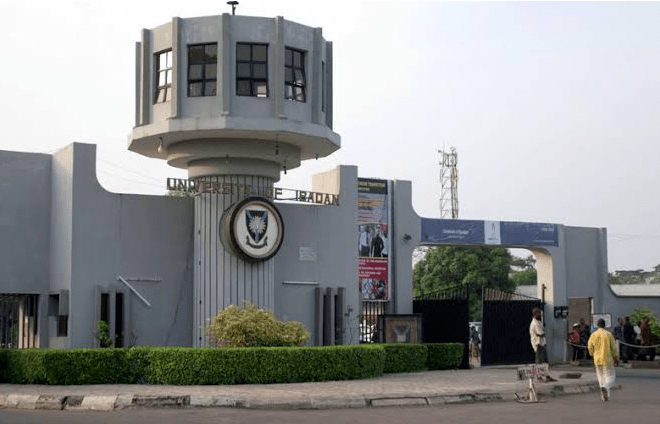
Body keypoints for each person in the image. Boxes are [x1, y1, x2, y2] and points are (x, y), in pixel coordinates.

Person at [588, 318, 619, 401]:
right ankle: (605, 387)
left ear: (597, 325)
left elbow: (590, 348)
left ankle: (605, 396)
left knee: (601, 378)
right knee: (611, 377)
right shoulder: (608, 334)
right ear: (604, 325)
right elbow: (613, 348)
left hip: (597, 360)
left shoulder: (593, 335)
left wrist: (592, 356)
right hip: (607, 359)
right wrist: (616, 358)